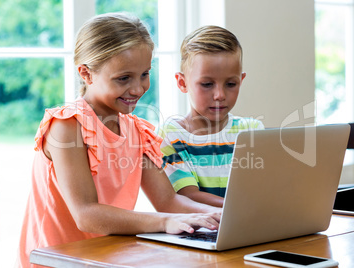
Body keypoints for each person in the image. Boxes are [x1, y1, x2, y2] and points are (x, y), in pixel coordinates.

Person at [16, 13, 221, 268]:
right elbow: (86, 214)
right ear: (86, 74)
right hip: (56, 260)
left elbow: (168, 200)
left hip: (105, 257)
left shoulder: (137, 130)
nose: (137, 88)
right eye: (124, 78)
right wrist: (165, 221)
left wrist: (217, 215)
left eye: (144, 74)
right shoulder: (66, 126)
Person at [159, 25, 264, 208]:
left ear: (241, 80)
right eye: (207, 84)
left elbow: (263, 187)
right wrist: (237, 208)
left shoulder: (252, 131)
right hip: (199, 229)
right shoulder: (171, 135)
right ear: (182, 83)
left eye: (231, 84)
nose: (220, 95)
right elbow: (188, 195)